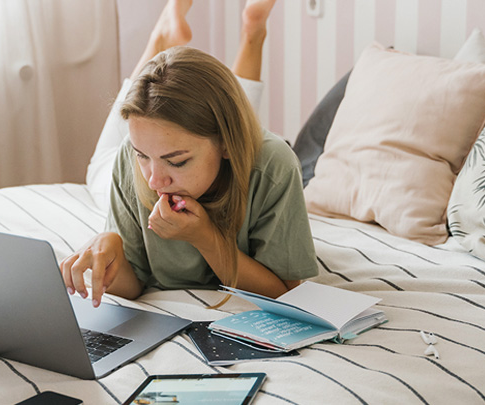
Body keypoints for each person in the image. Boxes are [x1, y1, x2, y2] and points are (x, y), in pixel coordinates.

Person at [61, 0, 318, 308]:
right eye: (143, 155)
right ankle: (214, 34)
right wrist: (112, 250)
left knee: (231, 112)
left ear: (225, 144)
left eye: (177, 161)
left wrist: (205, 238)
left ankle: (234, 34)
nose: (156, 180)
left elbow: (286, 294)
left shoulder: (274, 168)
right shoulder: (129, 161)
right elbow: (132, 288)